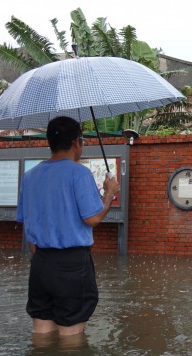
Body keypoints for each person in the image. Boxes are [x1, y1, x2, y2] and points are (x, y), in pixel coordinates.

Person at [16, 116, 120, 336]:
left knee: (41, 329)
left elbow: (28, 223)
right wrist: (110, 193)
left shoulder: (30, 176)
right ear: (76, 142)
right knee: (71, 334)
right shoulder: (79, 173)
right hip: (72, 265)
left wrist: (40, 257)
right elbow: (92, 219)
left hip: (40, 263)